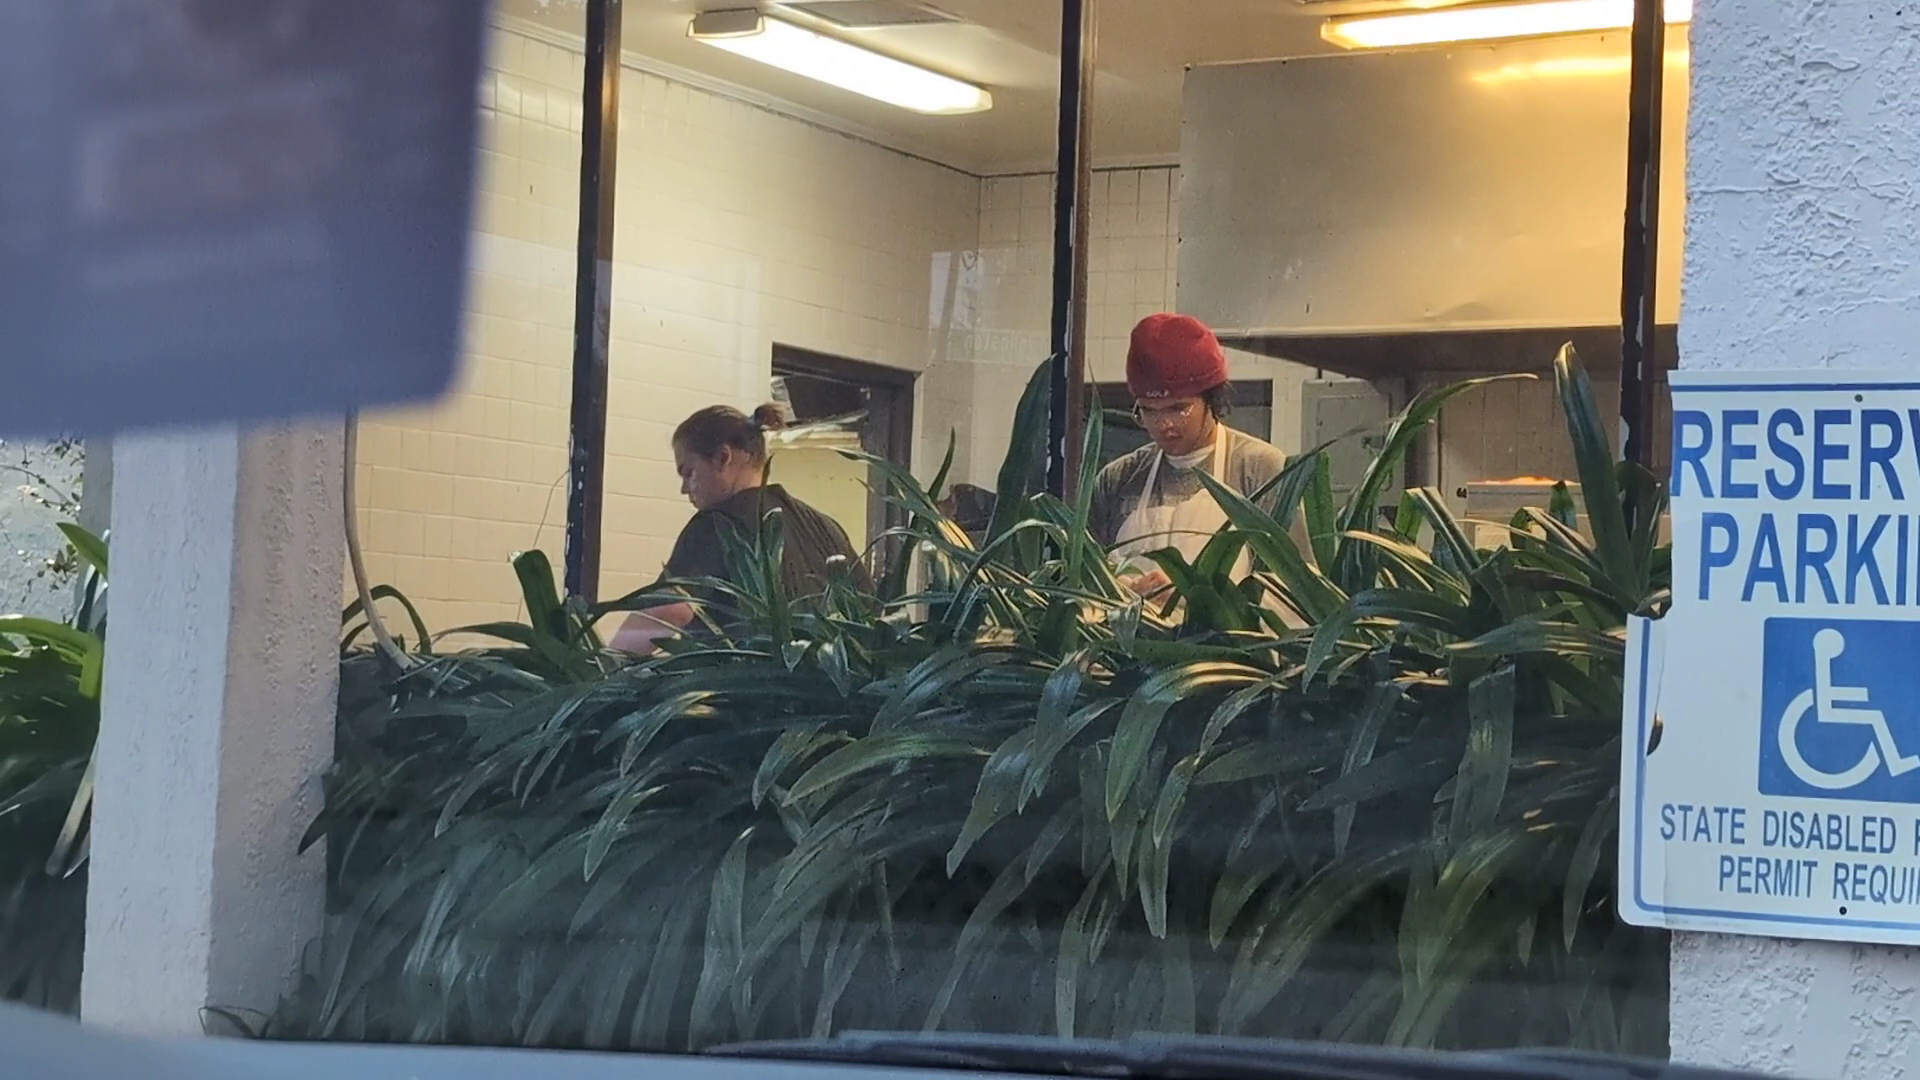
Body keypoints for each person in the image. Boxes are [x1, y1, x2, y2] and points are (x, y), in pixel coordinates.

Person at [609, 403, 867, 655]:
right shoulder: (824, 526)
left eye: (689, 472)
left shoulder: (719, 525)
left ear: (723, 458)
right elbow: (868, 615)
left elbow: (667, 611)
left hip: (742, 680)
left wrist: (604, 669)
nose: (684, 489)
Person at [1088, 313, 1287, 598]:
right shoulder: (1117, 480)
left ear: (1212, 399)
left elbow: (1294, 592)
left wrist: (1199, 599)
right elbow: (1086, 584)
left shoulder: (1260, 470)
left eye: (1178, 408)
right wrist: (1127, 592)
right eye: (1149, 411)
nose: (1164, 424)